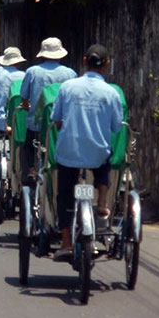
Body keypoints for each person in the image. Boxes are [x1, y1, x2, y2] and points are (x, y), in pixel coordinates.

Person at [50, 44, 123, 261]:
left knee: (64, 194)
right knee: (104, 163)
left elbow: (57, 121)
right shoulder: (111, 93)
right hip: (97, 153)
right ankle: (101, 203)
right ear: (107, 64)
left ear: (84, 61)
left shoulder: (67, 87)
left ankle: (65, 243)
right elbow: (117, 128)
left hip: (69, 152)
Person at [20, 38, 77, 184]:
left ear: (43, 54)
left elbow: (24, 97)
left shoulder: (32, 72)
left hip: (37, 125)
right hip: (62, 126)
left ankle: (32, 170)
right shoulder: (70, 74)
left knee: (27, 147)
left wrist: (27, 104)